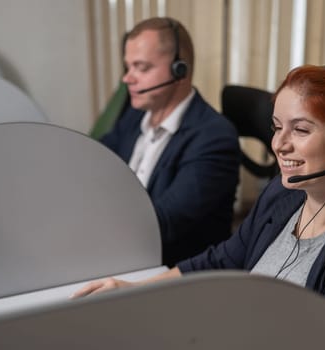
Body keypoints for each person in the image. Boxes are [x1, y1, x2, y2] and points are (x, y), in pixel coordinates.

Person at [75, 64, 325, 350]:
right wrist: (135, 289)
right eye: (277, 128)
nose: (279, 145)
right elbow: (224, 258)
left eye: (300, 129)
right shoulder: (283, 197)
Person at [100, 17, 241, 267]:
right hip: (124, 253)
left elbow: (162, 223)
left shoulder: (214, 138)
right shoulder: (136, 115)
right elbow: (96, 159)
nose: (127, 79)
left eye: (141, 68)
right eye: (128, 67)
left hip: (170, 272)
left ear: (180, 70)